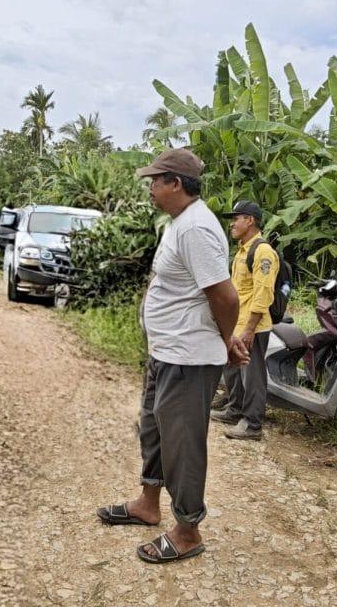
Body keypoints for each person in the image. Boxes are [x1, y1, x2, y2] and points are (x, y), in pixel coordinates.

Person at [95, 148, 245, 565]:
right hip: (167, 351)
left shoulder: (196, 229)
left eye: (155, 181)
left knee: (182, 443)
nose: (150, 189)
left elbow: (225, 295)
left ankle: (187, 530)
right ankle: (148, 503)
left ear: (175, 184)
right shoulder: (180, 225)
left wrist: (227, 338)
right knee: (154, 430)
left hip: (189, 357)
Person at [210, 200, 278, 441]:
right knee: (233, 369)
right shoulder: (242, 250)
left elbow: (263, 293)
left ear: (250, 220)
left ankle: (252, 424)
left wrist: (249, 328)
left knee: (253, 375)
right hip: (237, 324)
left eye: (236, 218)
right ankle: (235, 409)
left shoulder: (262, 252)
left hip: (253, 326)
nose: (232, 223)